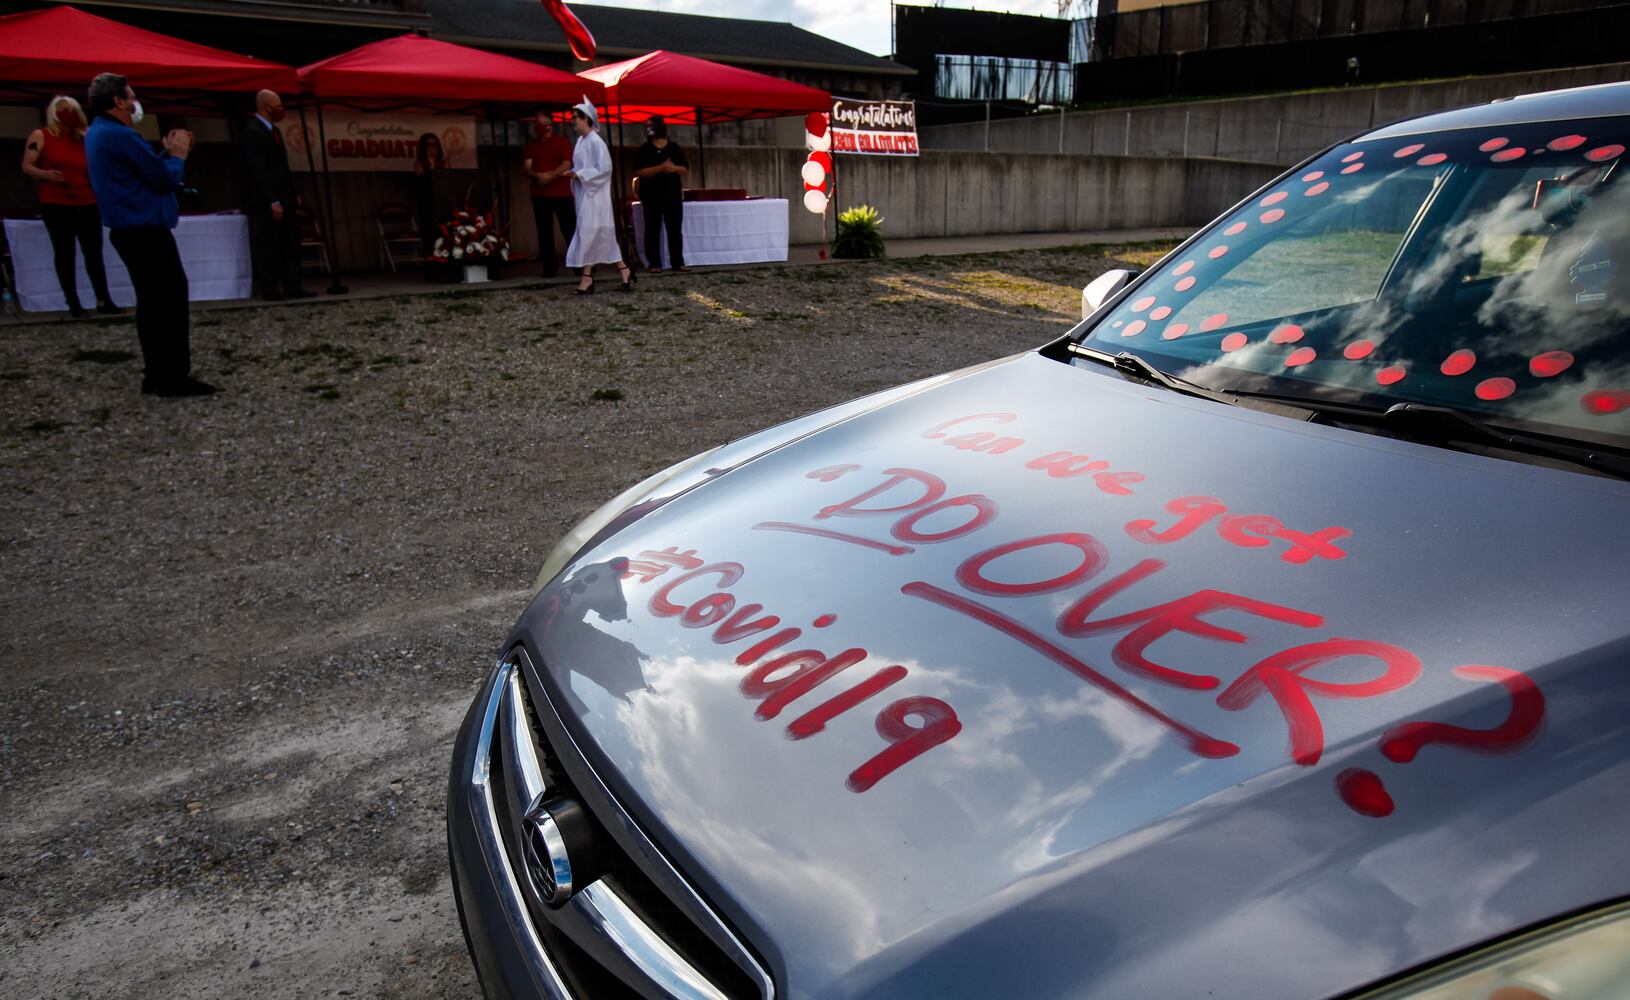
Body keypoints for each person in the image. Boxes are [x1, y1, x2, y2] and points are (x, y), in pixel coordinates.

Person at [84, 72, 212, 397]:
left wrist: (165, 154)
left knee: (152, 303)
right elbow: (163, 178)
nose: (135, 102)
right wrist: (178, 156)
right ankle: (173, 376)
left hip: (131, 232)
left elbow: (140, 172)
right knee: (168, 302)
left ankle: (156, 373)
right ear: (119, 101)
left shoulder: (100, 133)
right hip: (145, 231)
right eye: (131, 96)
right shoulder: (119, 135)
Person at [20, 95, 119, 318]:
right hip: (57, 203)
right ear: (54, 112)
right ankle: (73, 301)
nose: (68, 113)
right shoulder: (41, 135)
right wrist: (45, 174)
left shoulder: (84, 137)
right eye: (63, 109)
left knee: (94, 253)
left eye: (72, 109)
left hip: (87, 201)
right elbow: (27, 165)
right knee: (65, 253)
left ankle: (103, 299)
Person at [241, 89, 309, 301]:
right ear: (265, 106)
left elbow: (283, 166)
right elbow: (258, 169)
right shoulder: (253, 131)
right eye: (277, 105)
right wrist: (272, 199)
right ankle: (269, 287)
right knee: (268, 242)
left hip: (285, 193)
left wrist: (293, 191)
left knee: (291, 239)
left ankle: (293, 285)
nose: (281, 109)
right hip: (267, 198)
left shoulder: (275, 131)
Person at [561, 98, 633, 294]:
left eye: (576, 117)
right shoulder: (581, 142)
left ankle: (587, 278)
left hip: (596, 197)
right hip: (587, 194)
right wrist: (575, 173)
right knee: (600, 235)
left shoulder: (595, 141)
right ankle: (623, 270)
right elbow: (584, 167)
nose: (573, 121)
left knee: (590, 233)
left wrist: (580, 174)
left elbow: (604, 168)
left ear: (586, 119)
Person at [631, 116, 689, 273]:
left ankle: (678, 262)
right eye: (646, 126)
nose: (648, 129)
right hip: (651, 196)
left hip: (673, 195)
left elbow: (684, 168)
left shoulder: (674, 148)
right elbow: (640, 171)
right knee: (652, 229)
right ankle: (654, 263)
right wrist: (660, 168)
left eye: (650, 126)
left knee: (675, 230)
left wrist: (673, 168)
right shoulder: (644, 149)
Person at [523, 110, 575, 279]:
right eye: (540, 125)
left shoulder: (562, 143)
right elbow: (527, 167)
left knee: (570, 230)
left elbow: (567, 163)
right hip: (540, 195)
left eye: (546, 124)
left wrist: (550, 176)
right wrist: (537, 175)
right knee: (544, 233)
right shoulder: (532, 145)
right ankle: (549, 268)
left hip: (561, 193)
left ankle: (579, 265)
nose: (544, 128)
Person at [413, 132, 446, 266]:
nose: (432, 148)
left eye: (434, 145)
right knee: (430, 234)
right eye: (428, 145)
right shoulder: (420, 164)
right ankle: (432, 262)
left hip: (442, 203)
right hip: (428, 204)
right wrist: (431, 165)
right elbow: (425, 183)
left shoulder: (443, 163)